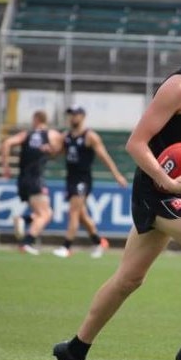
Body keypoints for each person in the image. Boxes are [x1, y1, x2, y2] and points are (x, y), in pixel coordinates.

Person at [52, 8, 181, 360]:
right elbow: (136, 144)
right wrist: (168, 182)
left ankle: (74, 350)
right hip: (156, 192)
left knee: (129, 279)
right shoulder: (179, 87)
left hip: (170, 190)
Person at [52, 105, 128, 259]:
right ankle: (99, 242)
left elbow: (104, 157)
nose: (72, 117)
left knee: (73, 211)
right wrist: (50, 149)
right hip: (70, 178)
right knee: (81, 214)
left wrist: (117, 175)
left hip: (83, 179)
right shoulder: (65, 136)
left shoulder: (89, 136)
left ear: (82, 116)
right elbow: (58, 154)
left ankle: (66, 246)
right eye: (71, 114)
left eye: (75, 114)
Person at [1, 110, 61, 255]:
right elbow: (58, 151)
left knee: (41, 213)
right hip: (36, 179)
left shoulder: (26, 134)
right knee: (46, 214)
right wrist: (51, 150)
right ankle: (26, 243)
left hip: (23, 179)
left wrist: (6, 167)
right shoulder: (50, 135)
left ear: (36, 119)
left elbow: (7, 143)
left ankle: (23, 219)